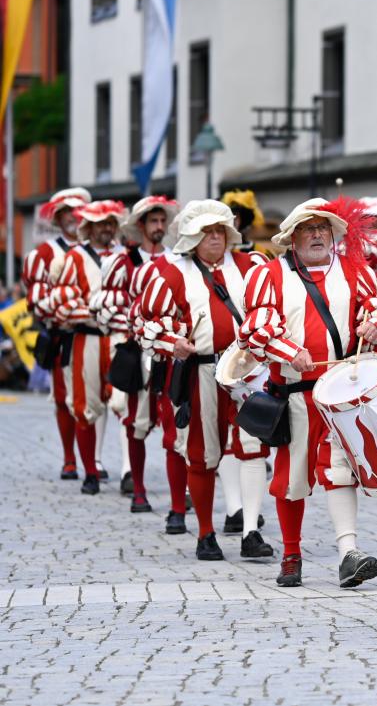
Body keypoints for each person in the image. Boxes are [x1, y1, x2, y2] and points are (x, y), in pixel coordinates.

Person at [239, 197, 377, 586]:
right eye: (308, 228)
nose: (317, 234)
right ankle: (290, 553)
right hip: (296, 393)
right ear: (292, 237)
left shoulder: (357, 272)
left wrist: (374, 324)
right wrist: (291, 351)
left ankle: (348, 553)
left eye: (323, 227)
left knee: (341, 471)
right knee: (292, 478)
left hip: (342, 392)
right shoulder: (268, 275)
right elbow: (254, 333)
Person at [139, 200, 274, 561]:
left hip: (248, 370)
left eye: (219, 231)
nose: (214, 237)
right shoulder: (170, 274)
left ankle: (250, 531)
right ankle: (205, 533)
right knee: (203, 454)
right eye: (206, 232)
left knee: (253, 449)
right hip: (201, 371)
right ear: (191, 238)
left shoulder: (252, 266)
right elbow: (146, 325)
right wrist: (173, 343)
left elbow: (272, 310)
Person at [97, 196, 178, 512]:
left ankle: (179, 492)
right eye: (153, 221)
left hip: (170, 350)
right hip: (135, 349)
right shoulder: (124, 262)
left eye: (162, 221)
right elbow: (107, 310)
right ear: (141, 225)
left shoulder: (177, 260)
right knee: (136, 420)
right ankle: (138, 487)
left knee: (177, 421)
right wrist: (137, 325)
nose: (159, 227)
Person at [52, 200, 128, 495]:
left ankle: (128, 471)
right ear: (90, 227)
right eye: (102, 223)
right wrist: (97, 314)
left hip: (120, 338)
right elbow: (63, 306)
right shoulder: (74, 258)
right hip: (87, 340)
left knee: (125, 403)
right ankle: (90, 472)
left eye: (111, 223)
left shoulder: (125, 256)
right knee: (84, 406)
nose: (108, 228)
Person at [21, 187, 90, 479]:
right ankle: (69, 457)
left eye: (77, 212)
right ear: (58, 218)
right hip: (63, 335)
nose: (73, 218)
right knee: (64, 397)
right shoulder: (45, 253)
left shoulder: (96, 248)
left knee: (95, 397)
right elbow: (37, 300)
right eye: (67, 214)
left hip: (94, 333)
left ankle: (93, 459)